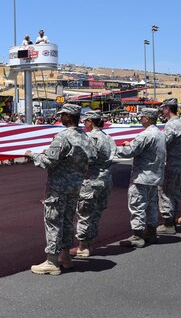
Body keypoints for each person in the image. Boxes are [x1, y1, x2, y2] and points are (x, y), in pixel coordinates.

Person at [25, 103, 95, 275]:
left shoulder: (63, 137)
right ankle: (65, 256)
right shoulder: (86, 138)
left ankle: (52, 261)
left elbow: (48, 162)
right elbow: (92, 159)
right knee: (67, 222)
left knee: (53, 221)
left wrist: (32, 155)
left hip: (58, 187)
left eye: (62, 115)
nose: (60, 117)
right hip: (75, 186)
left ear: (69, 117)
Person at [116, 108, 166, 247]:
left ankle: (137, 236)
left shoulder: (145, 135)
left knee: (137, 205)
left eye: (142, 117)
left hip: (142, 177)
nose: (140, 119)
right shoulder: (160, 134)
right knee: (151, 206)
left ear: (147, 119)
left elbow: (130, 152)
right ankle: (151, 233)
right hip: (154, 177)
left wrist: (115, 149)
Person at [72, 110, 116, 257]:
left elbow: (86, 158)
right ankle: (89, 244)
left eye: (85, 122)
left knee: (84, 214)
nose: (84, 124)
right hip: (105, 178)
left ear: (90, 122)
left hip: (91, 180)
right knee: (96, 214)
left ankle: (83, 246)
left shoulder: (90, 137)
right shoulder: (108, 137)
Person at [157, 98, 181, 235]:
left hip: (170, 164)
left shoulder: (172, 125)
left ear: (167, 109)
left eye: (163, 108)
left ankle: (168, 223)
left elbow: (163, 143)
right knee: (175, 193)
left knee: (165, 193)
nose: (162, 111)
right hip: (179, 164)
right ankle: (173, 220)